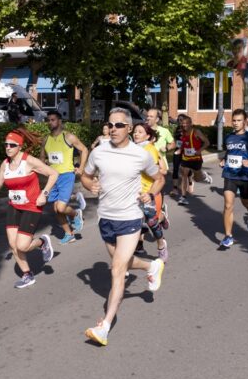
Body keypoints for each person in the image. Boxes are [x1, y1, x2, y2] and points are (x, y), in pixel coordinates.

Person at [80, 108, 165, 346]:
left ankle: (104, 326)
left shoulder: (141, 155)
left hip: (129, 217)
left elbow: (159, 178)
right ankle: (151, 265)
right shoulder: (98, 152)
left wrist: (151, 194)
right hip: (105, 218)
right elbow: (85, 176)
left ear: (129, 128)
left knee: (117, 270)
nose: (114, 129)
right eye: (111, 125)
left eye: (119, 125)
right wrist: (90, 186)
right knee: (123, 262)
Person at [0, 127, 58, 288]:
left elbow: (53, 174)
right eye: (6, 144)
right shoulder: (5, 164)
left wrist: (44, 194)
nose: (8, 148)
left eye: (12, 145)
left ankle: (42, 242)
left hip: (32, 206)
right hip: (14, 205)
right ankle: (28, 275)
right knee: (13, 245)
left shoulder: (29, 161)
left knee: (22, 246)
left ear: (19, 146)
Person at [40, 110, 89, 244]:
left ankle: (76, 214)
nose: (50, 122)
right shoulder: (46, 139)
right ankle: (69, 234)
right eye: (48, 120)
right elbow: (43, 157)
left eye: (53, 120)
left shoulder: (68, 137)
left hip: (67, 175)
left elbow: (84, 150)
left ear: (60, 121)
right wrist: (44, 168)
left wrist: (81, 167)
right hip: (53, 177)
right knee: (56, 209)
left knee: (61, 207)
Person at [218, 109, 248, 248]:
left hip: (245, 176)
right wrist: (223, 160)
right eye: (234, 120)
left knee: (247, 202)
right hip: (229, 174)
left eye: (239, 120)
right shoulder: (229, 137)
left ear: (245, 121)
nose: (236, 123)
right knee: (228, 204)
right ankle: (228, 236)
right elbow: (229, 152)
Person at [132, 123, 170, 261]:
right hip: (133, 193)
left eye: (140, 132)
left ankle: (161, 244)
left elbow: (157, 174)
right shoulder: (131, 149)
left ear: (148, 136)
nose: (136, 134)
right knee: (133, 221)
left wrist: (150, 193)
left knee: (152, 222)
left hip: (149, 191)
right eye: (135, 131)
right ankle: (130, 252)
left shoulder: (150, 150)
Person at [176, 115, 211, 205]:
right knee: (184, 175)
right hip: (186, 158)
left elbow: (207, 142)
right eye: (183, 123)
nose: (184, 125)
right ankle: (183, 197)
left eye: (187, 123)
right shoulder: (182, 132)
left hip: (196, 159)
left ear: (191, 124)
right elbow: (183, 143)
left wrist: (199, 150)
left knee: (197, 178)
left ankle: (204, 176)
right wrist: (180, 150)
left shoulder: (196, 132)